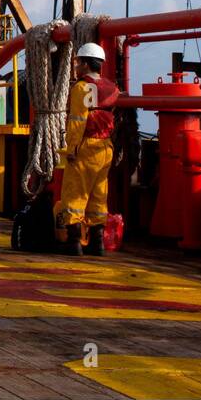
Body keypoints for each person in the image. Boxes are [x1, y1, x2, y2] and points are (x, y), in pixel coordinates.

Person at [55, 42, 120, 255]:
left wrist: (71, 148)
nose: (75, 67)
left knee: (74, 195)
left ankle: (74, 244)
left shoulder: (81, 88)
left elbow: (77, 121)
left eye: (77, 62)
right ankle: (97, 244)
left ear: (84, 63)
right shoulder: (112, 87)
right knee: (98, 196)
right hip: (106, 147)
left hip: (85, 146)